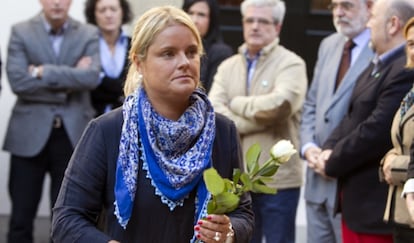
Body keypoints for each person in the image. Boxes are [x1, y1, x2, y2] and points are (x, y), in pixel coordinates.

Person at [51, 5, 254, 243]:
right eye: (168, 53)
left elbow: (244, 215)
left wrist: (229, 231)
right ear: (139, 62)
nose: (184, 63)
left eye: (191, 52)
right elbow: (67, 219)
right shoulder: (108, 130)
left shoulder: (222, 131)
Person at [314, 0, 414, 242]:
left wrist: (332, 161)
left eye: (372, 17)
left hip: (375, 208)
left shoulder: (403, 69)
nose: (368, 24)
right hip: (355, 203)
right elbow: (351, 116)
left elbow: (376, 130)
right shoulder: (377, 63)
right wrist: (328, 148)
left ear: (393, 24)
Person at [208, 0, 307, 242]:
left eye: (262, 21)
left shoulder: (292, 64)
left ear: (277, 27)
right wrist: (253, 116)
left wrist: (236, 103)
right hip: (236, 181)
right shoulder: (227, 66)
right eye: (249, 20)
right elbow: (213, 111)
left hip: (279, 182)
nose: (254, 26)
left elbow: (279, 107)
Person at [3, 0, 101, 242]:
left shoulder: (89, 32)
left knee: (67, 218)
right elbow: (18, 82)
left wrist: (41, 71)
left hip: (72, 136)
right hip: (29, 134)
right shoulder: (21, 30)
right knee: (21, 217)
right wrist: (70, 79)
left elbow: (90, 78)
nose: (57, 2)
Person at [299, 0, 374, 242]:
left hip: (350, 185)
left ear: (370, 7)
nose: (339, 12)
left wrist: (335, 157)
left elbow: (374, 120)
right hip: (316, 182)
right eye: (334, 6)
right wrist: (308, 147)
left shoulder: (381, 49)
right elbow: (312, 104)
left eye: (347, 5)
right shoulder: (328, 44)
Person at [382, 17, 414, 243]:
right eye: (412, 44)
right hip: (402, 213)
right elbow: (400, 142)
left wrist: (394, 165)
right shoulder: (411, 92)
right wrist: (388, 157)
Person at [84, 0, 133, 116]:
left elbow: (135, 84)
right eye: (102, 10)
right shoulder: (87, 46)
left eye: (113, 9)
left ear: (122, 12)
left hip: (129, 117)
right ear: (94, 14)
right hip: (93, 118)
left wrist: (99, 78)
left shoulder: (133, 44)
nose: (108, 15)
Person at [182, 0, 233, 94]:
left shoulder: (220, 52)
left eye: (201, 15)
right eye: (190, 13)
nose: (194, 20)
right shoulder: (176, 47)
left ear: (211, 20)